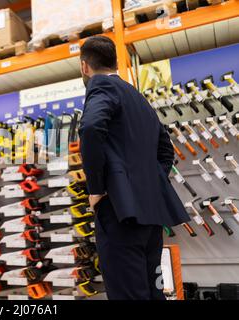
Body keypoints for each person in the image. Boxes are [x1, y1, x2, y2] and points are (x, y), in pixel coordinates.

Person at [78, 36, 190, 300]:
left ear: (85, 66)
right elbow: (166, 149)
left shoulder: (101, 87)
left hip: (119, 214)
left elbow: (92, 128)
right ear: (116, 62)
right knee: (154, 292)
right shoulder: (137, 97)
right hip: (151, 218)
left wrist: (96, 188)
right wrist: (148, 184)